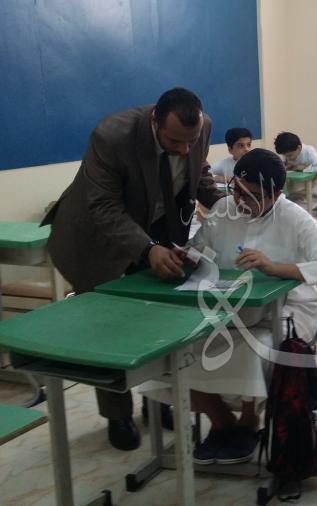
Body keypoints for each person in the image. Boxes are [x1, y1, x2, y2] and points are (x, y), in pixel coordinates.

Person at [41, 87, 224, 451]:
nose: (184, 148)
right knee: (108, 327)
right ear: (155, 121)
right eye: (174, 141)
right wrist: (147, 248)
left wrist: (227, 205)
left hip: (158, 230)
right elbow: (104, 206)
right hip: (95, 239)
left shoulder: (199, 128)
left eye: (190, 141)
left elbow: (198, 173)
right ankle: (117, 414)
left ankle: (159, 401)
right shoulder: (111, 136)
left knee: (162, 320)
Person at [183, 148, 317, 464]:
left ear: (276, 195)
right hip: (226, 305)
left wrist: (276, 268)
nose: (240, 201)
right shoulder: (223, 208)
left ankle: (249, 422)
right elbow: (197, 248)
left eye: (253, 196)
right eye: (236, 190)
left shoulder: (294, 217)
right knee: (180, 349)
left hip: (287, 307)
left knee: (253, 345)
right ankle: (222, 422)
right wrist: (185, 256)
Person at [273, 131, 317, 206]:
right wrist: (284, 167)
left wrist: (304, 169)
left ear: (299, 148)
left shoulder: (309, 151)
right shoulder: (286, 151)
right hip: (291, 194)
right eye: (285, 155)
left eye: (290, 155)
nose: (288, 158)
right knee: (279, 206)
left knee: (292, 210)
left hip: (311, 195)